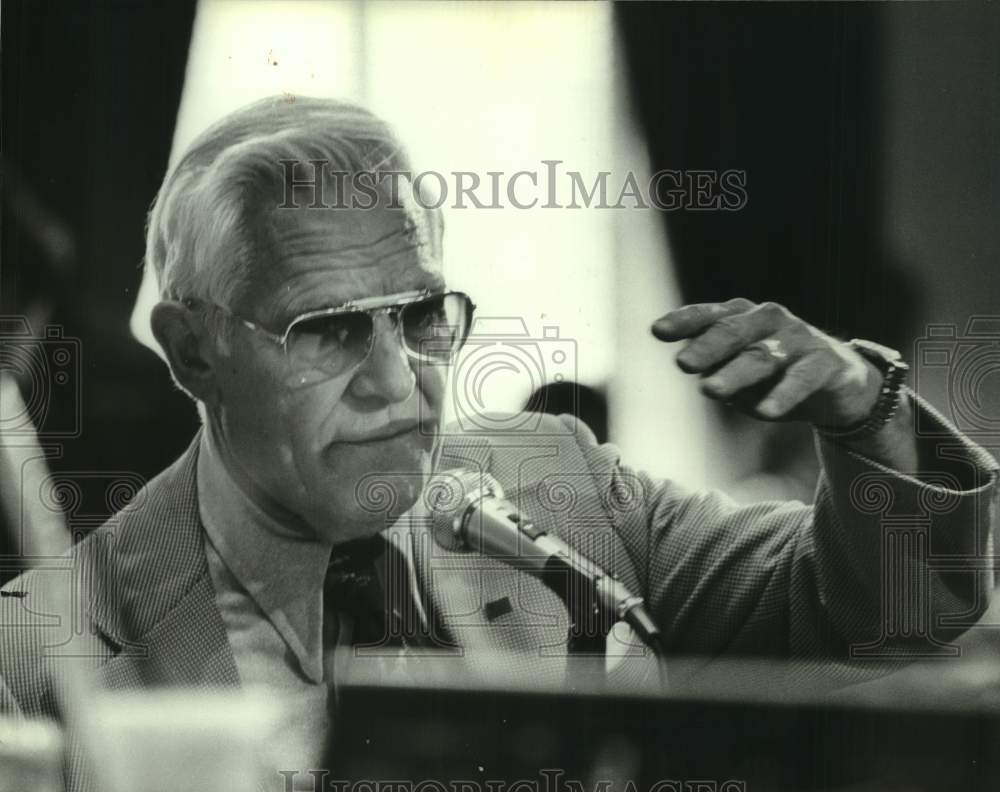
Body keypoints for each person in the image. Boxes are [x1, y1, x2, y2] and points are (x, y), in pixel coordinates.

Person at [0, 95, 996, 783]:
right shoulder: (41, 651)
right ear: (194, 351)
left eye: (423, 316)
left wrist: (866, 412)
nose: (400, 386)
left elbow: (887, 608)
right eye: (332, 330)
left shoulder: (554, 479)